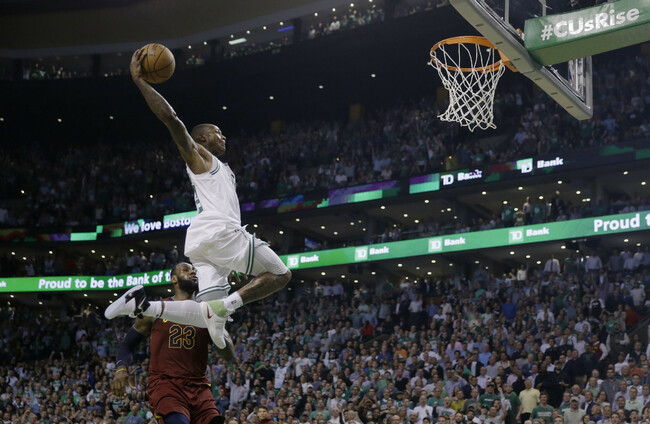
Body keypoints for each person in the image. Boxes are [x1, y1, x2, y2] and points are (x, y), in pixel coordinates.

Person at [106, 48, 292, 348]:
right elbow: (172, 119)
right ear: (202, 138)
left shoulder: (220, 167)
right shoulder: (200, 156)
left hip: (204, 242)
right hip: (220, 230)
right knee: (281, 274)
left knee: (205, 316)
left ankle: (143, 304)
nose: (223, 136)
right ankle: (227, 306)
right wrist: (141, 82)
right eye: (217, 132)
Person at [111, 262, 234, 424]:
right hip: (166, 385)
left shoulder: (208, 311)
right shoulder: (153, 311)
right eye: (186, 269)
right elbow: (127, 345)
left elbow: (229, 355)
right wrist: (121, 368)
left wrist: (218, 329)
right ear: (173, 279)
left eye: (194, 270)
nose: (192, 272)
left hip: (199, 387)